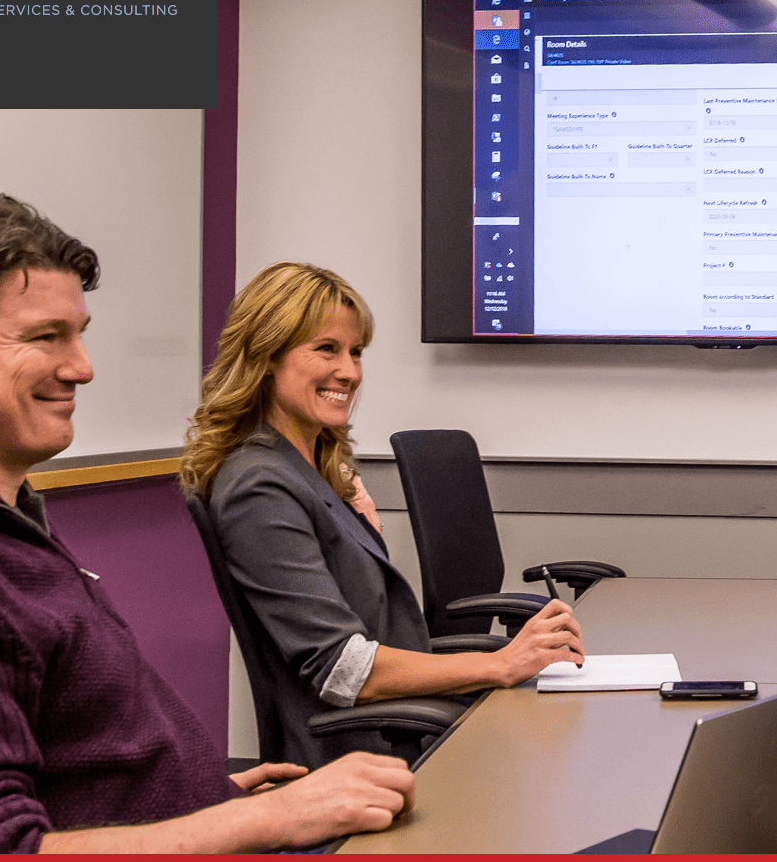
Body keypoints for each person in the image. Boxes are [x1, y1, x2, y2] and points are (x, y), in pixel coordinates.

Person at [0, 187, 415, 852]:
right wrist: (262, 821)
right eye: (46, 337)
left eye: (79, 336)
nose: (83, 367)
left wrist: (208, 801)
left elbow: (80, 773)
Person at [180, 263, 584, 768]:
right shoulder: (259, 486)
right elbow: (342, 669)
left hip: (396, 733)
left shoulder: (307, 471)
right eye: (326, 349)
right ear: (264, 357)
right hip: (364, 759)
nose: (349, 372)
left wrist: (360, 528)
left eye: (356, 352)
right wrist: (498, 664)